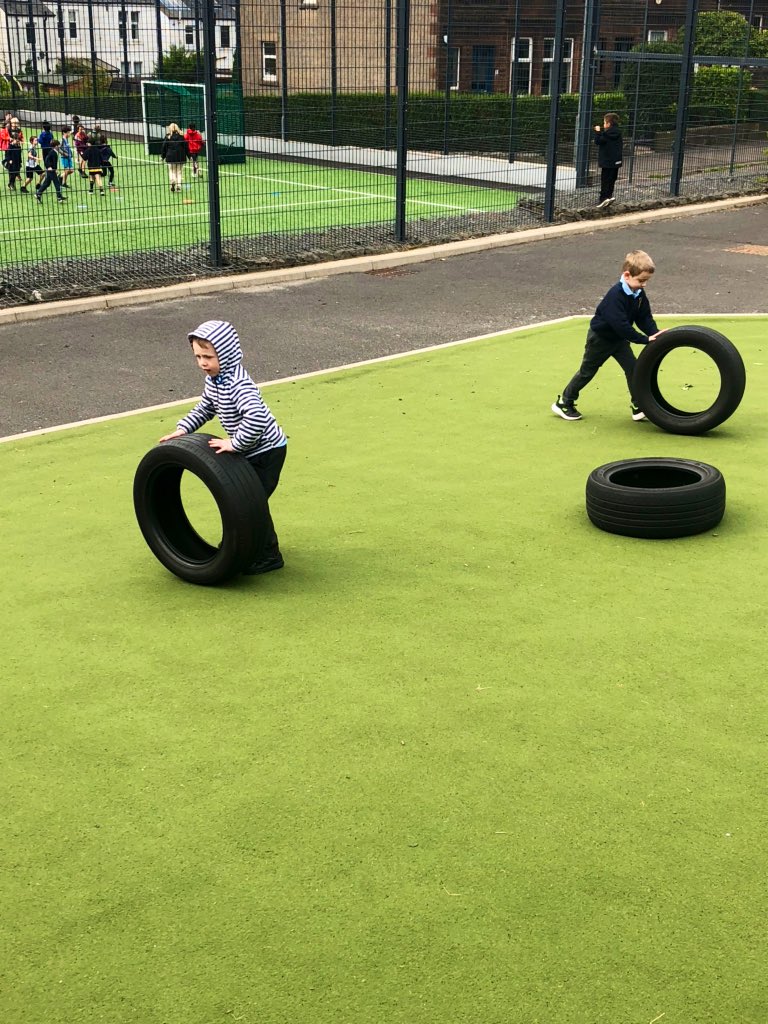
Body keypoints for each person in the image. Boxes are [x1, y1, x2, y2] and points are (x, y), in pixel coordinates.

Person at [158, 320, 288, 575]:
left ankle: (268, 555)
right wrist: (183, 429)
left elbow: (257, 418)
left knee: (252, 503)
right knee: (247, 502)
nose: (202, 363)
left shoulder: (239, 385)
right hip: (249, 450)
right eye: (198, 356)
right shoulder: (215, 381)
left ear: (225, 354)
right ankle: (249, 547)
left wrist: (235, 443)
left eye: (208, 356)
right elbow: (205, 408)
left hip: (267, 451)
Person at [552, 250, 663, 422]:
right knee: (587, 371)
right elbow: (621, 326)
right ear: (627, 275)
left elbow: (644, 318)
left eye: (646, 281)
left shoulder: (638, 294)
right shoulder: (615, 296)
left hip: (618, 340)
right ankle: (564, 402)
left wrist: (654, 333)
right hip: (600, 339)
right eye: (641, 280)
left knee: (633, 368)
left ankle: (638, 405)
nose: (644, 285)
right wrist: (643, 339)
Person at [593, 112, 623, 209]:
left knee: (605, 179)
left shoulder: (606, 134)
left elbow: (598, 141)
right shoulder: (618, 132)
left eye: (604, 123)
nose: (603, 125)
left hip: (607, 162)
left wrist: (597, 132)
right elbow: (606, 137)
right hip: (616, 161)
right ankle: (609, 196)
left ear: (608, 124)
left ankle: (603, 199)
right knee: (612, 179)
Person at [160, 122, 189, 193]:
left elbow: (164, 147)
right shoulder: (181, 137)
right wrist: (189, 156)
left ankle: (172, 181)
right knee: (179, 172)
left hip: (170, 156)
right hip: (180, 156)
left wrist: (162, 156)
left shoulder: (168, 137)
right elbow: (186, 147)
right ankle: (178, 186)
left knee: (171, 171)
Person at [35, 139, 66, 203]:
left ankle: (38, 194)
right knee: (57, 183)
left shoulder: (54, 152)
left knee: (47, 183)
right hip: (51, 170)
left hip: (52, 170)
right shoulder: (52, 152)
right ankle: (59, 197)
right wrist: (49, 167)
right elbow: (46, 160)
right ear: (56, 146)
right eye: (58, 145)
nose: (59, 146)